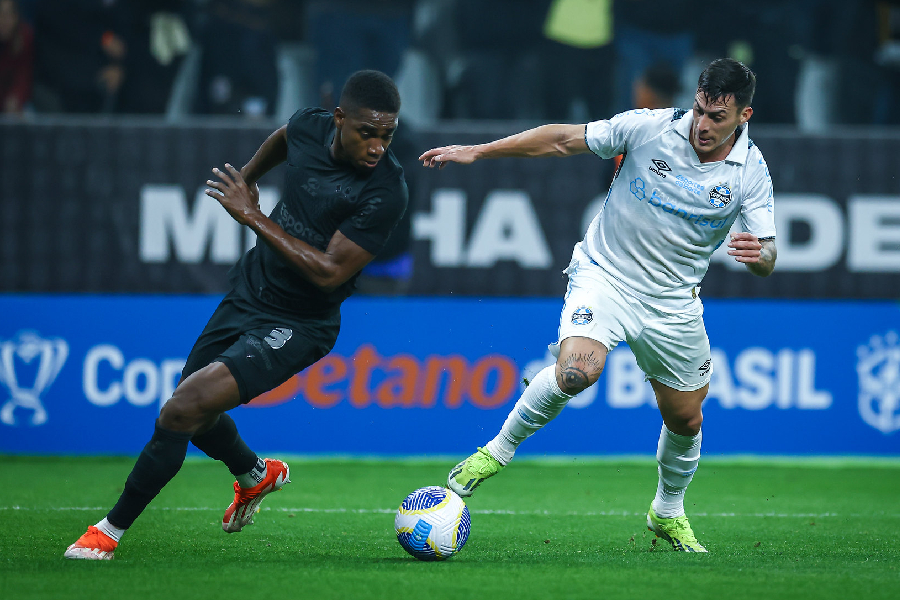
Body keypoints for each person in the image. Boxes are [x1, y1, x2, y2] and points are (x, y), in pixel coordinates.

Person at [419, 58, 776, 552]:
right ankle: (495, 452)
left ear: (744, 116)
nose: (704, 125)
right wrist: (480, 152)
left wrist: (762, 257)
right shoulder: (649, 128)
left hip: (673, 303)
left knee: (686, 420)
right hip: (604, 276)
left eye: (718, 117)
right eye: (699, 110)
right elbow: (561, 139)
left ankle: (667, 511)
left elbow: (768, 253)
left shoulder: (751, 172)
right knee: (576, 374)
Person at [64, 70, 409, 560]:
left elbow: (331, 273)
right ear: (338, 120)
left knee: (181, 408)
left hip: (301, 323)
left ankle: (109, 530)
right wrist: (249, 176)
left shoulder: (386, 190)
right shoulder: (311, 126)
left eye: (387, 135)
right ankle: (254, 473)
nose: (377, 147)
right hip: (250, 292)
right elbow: (286, 137)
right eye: (367, 133)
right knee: (189, 413)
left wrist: (250, 213)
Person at [0, 0, 33, 114]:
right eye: (1, 15)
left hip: (16, 103)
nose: (4, 20)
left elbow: (24, 75)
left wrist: (16, 97)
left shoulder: (24, 38)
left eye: (9, 15)